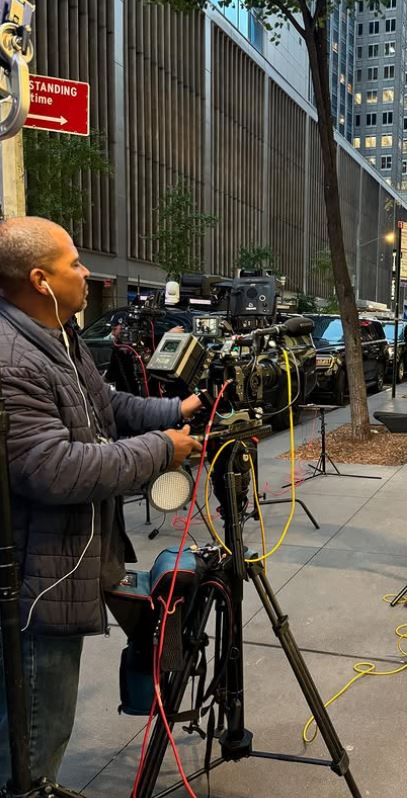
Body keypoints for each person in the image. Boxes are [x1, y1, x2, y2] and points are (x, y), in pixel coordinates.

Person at [0, 217, 205, 785]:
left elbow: (104, 406)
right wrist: (161, 450)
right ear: (40, 280)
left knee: (42, 726)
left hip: (63, 567)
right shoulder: (11, 358)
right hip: (36, 586)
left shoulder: (57, 334)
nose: (86, 271)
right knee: (34, 732)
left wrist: (176, 411)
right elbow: (55, 468)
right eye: (73, 263)